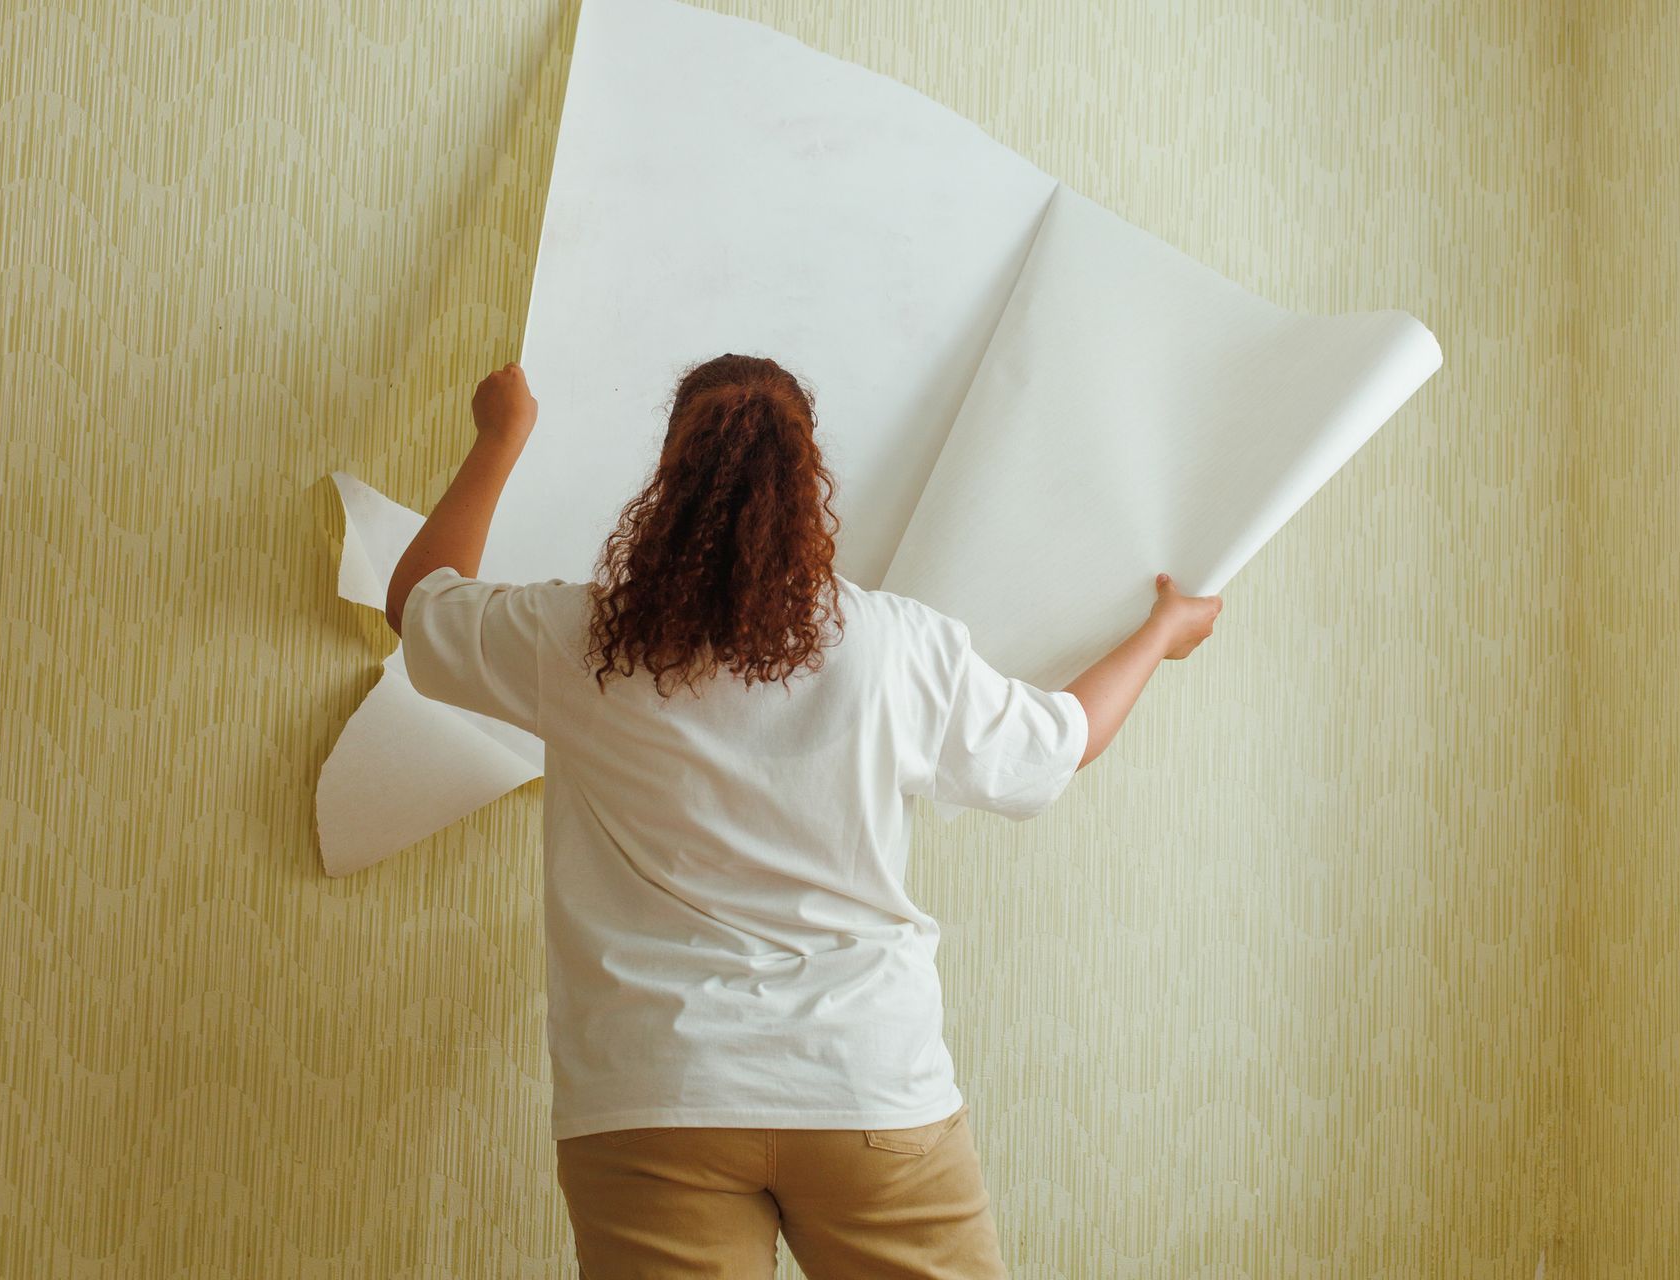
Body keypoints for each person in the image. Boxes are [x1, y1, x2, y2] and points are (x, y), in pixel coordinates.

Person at [383, 354, 1223, 1279]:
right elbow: (1061, 742)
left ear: (666, 484)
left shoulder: (578, 641)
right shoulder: (896, 645)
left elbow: (417, 604)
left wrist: (498, 438)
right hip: (866, 1085)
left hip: (656, 1094)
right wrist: (1161, 632)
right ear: (806, 485)